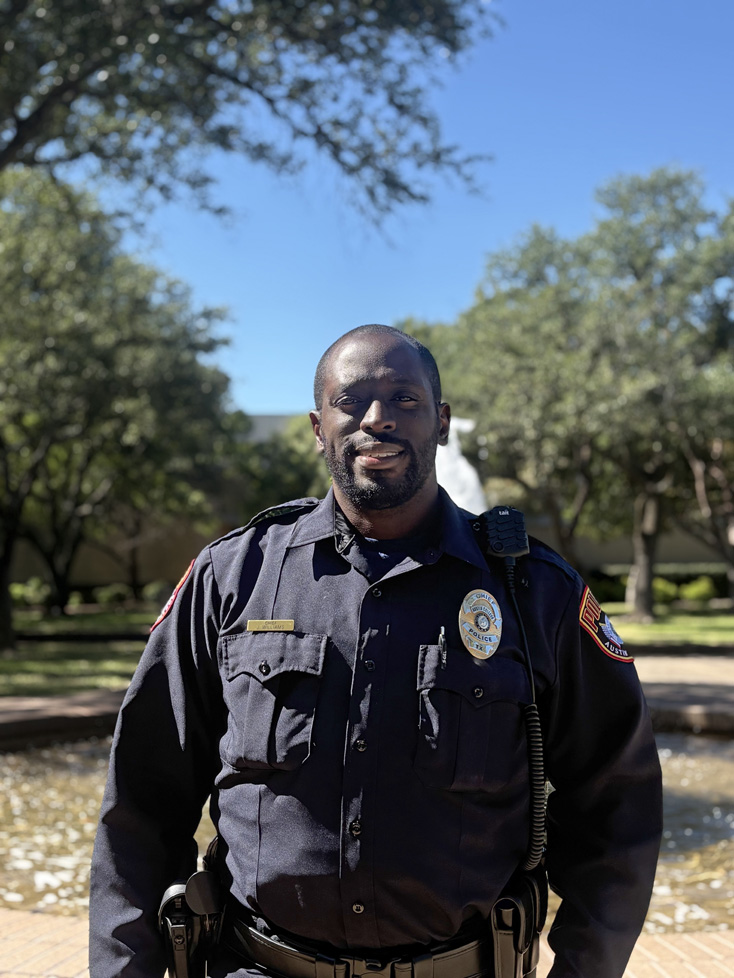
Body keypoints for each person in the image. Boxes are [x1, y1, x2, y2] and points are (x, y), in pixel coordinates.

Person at [89, 324, 663, 978]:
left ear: (442, 422)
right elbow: (141, 800)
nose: (377, 419)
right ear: (316, 425)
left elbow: (618, 806)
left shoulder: (533, 590)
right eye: (352, 400)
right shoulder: (233, 577)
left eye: (404, 399)